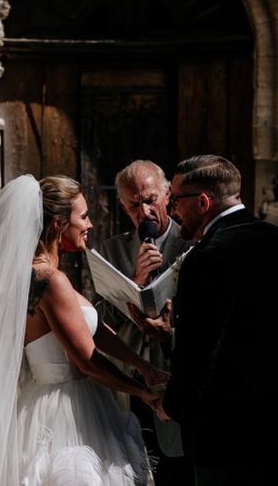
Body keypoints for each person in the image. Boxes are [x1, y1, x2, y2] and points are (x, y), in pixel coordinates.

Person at [0, 174, 167, 486]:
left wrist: (144, 367)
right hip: (67, 409)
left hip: (48, 398)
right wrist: (141, 390)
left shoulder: (37, 276)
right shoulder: (50, 281)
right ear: (59, 225)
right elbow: (86, 360)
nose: (90, 225)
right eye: (83, 217)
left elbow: (95, 331)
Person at [152, 155, 278, 485]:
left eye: (176, 200)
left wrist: (173, 405)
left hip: (229, 433)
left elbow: (200, 352)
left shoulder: (207, 256)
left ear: (203, 201)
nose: (172, 211)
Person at [98, 160, 193, 485]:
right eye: (135, 204)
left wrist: (173, 333)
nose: (145, 210)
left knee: (177, 471)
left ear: (168, 194)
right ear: (124, 207)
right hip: (130, 380)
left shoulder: (193, 243)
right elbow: (98, 320)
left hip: (178, 375)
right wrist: (134, 280)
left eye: (151, 198)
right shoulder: (113, 249)